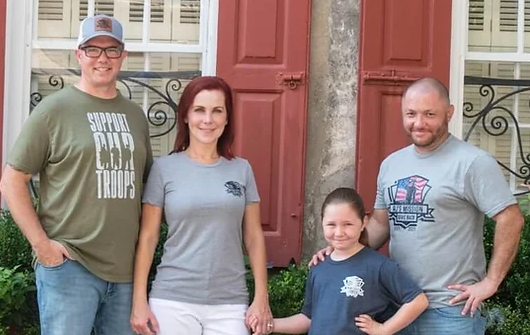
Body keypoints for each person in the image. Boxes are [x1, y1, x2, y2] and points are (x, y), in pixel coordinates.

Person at [313, 78, 524, 335]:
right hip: (397, 307)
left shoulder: (472, 162)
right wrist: (340, 248)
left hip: (450, 311)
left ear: (449, 113)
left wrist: (491, 282)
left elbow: (511, 218)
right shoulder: (391, 164)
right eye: (411, 114)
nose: (419, 123)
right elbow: (380, 223)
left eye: (429, 114)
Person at [0, 14, 153, 335]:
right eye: (93, 49)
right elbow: (12, 180)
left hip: (126, 273)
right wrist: (42, 246)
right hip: (70, 267)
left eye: (112, 50)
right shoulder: (53, 110)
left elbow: (148, 186)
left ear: (123, 56)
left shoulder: (136, 116)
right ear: (79, 55)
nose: (103, 58)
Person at [130, 76, 273, 335]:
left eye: (217, 111)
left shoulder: (241, 169)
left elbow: (253, 236)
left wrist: (261, 298)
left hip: (230, 302)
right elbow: (149, 237)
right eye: (199, 110)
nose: (208, 120)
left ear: (227, 118)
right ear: (185, 115)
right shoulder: (164, 169)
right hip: (172, 300)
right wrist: (139, 301)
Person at [266, 187, 428, 335]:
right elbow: (308, 319)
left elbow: (418, 301)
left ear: (363, 223)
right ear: (321, 222)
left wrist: (384, 329)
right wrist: (269, 324)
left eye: (347, 224)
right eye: (331, 224)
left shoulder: (379, 266)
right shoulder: (318, 267)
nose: (339, 232)